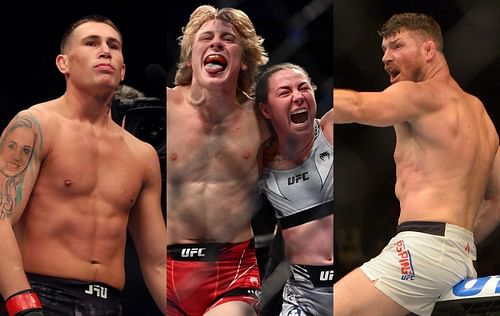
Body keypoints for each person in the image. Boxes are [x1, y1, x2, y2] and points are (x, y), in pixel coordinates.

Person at [333, 12, 499, 316]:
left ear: (428, 50)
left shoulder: (418, 94)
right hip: (460, 256)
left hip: (422, 250)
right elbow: (498, 199)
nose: (385, 57)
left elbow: (357, 105)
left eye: (396, 46)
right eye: (383, 49)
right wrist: (454, 244)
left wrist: (299, 95)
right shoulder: (482, 117)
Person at [0, 15, 166, 315]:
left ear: (123, 69)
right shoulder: (35, 126)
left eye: (113, 46)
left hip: (110, 305)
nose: (105, 51)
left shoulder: (142, 155)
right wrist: (22, 303)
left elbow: (157, 262)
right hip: (39, 296)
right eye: (92, 43)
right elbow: (0, 219)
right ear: (63, 63)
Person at [166, 5, 269, 316]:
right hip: (165, 266)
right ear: (190, 55)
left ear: (244, 59)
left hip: (231, 270)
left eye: (228, 39)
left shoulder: (264, 119)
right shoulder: (161, 108)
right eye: (206, 37)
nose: (216, 44)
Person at [255, 63, 333, 315]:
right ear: (265, 109)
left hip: (353, 282)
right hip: (304, 297)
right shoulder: (260, 159)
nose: (298, 96)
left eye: (303, 88)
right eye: (285, 92)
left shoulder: (332, 130)